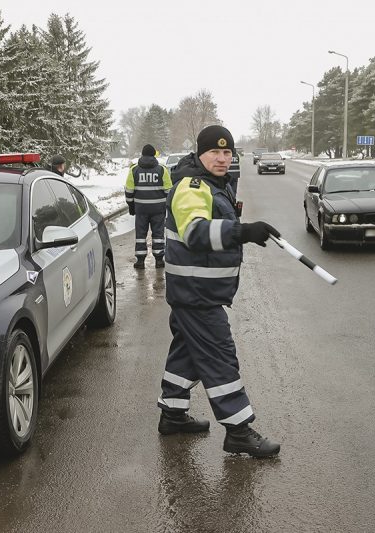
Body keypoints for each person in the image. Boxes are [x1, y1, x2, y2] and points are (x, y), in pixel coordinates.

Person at [157, 125, 282, 458]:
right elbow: (197, 233)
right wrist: (241, 231)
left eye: (228, 152)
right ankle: (239, 431)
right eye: (215, 151)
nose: (223, 158)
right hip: (195, 293)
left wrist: (243, 230)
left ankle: (172, 414)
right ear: (200, 154)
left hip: (197, 292)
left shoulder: (215, 185)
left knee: (187, 352)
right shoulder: (192, 187)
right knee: (219, 357)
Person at [125, 144, 172, 269]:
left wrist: (131, 205)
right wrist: (167, 206)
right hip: (158, 209)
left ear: (142, 154)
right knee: (158, 234)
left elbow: (129, 190)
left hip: (141, 209)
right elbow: (168, 191)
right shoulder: (162, 170)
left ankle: (140, 261)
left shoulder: (134, 169)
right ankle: (159, 260)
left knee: (140, 234)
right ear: (153, 155)